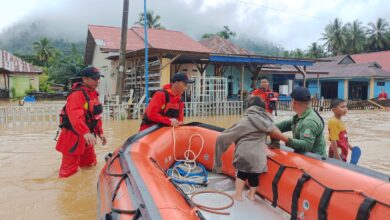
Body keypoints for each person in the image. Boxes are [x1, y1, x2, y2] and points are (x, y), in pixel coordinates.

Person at [213, 96, 284, 201]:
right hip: (259, 157)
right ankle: (251, 195)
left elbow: (225, 137)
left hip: (244, 154)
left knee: (241, 174)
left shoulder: (245, 120)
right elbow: (276, 132)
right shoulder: (268, 121)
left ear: (249, 108)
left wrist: (217, 164)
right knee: (254, 176)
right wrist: (275, 144)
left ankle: (238, 195)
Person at [55, 66, 107, 178]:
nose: (97, 81)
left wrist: (100, 133)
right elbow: (75, 117)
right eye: (94, 78)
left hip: (87, 137)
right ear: (85, 79)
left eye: (98, 78)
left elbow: (96, 117)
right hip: (73, 137)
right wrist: (85, 132)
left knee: (90, 165)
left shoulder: (93, 95)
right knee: (68, 173)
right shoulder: (76, 95)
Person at [273, 87, 327, 156]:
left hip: (315, 159)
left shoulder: (309, 121)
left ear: (294, 102)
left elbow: (306, 145)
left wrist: (281, 137)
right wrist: (269, 128)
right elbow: (286, 124)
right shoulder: (300, 116)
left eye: (291, 100)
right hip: (307, 158)